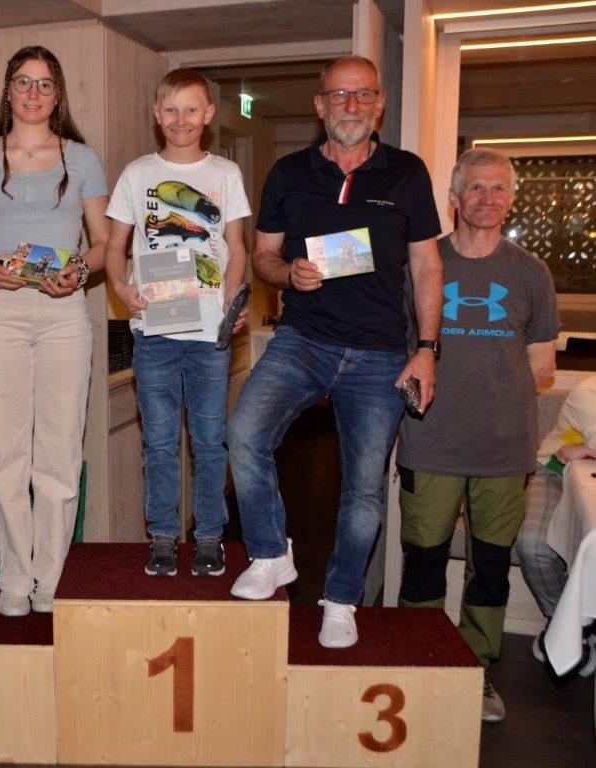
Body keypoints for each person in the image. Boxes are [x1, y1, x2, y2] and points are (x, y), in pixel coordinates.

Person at [226, 56, 443, 650]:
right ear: (320, 105)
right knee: (243, 433)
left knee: (364, 489)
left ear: (379, 104)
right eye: (339, 95)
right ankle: (270, 553)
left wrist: (427, 349)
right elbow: (264, 256)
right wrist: (288, 274)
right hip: (303, 339)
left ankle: (342, 598)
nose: (351, 105)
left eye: (363, 94)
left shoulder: (407, 173)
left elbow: (427, 266)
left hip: (380, 353)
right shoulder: (288, 172)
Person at [396, 148, 560, 722]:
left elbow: (542, 363)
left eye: (498, 188)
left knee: (490, 567)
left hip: (504, 448)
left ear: (511, 198)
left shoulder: (530, 272)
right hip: (430, 440)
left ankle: (476, 669)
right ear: (454, 197)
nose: (487, 198)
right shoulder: (423, 263)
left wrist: (489, 393)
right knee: (423, 559)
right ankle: (418, 662)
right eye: (476, 188)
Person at [0, 46, 109, 616]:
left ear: (57, 93)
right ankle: (14, 579)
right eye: (23, 82)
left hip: (64, 315)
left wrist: (78, 272)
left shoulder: (82, 158)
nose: (33, 93)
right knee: (4, 450)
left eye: (45, 84)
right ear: (8, 89)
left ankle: (50, 579)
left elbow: (103, 244)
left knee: (59, 450)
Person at [105, 68, 250, 577]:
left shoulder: (226, 174)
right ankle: (163, 537)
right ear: (156, 113)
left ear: (208, 114)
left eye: (191, 109)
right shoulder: (136, 173)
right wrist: (122, 289)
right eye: (171, 109)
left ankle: (209, 537)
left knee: (210, 442)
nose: (181, 119)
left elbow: (236, 248)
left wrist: (232, 300)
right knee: (160, 444)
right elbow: (115, 248)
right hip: (155, 332)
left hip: (210, 335)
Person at [516, 375, 596, 675]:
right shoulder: (588, 391)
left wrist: (587, 451)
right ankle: (566, 624)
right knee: (532, 544)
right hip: (554, 475)